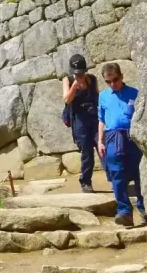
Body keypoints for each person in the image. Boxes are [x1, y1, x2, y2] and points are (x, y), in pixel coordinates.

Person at [97, 62, 147, 227]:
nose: (112, 84)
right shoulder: (103, 96)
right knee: (117, 175)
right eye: (108, 81)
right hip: (112, 137)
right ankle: (124, 212)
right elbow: (101, 119)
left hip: (132, 137)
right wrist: (100, 141)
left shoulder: (134, 93)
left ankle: (145, 208)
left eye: (115, 80)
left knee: (139, 173)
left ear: (121, 76)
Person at [61, 54, 102, 193]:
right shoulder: (68, 80)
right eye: (77, 74)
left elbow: (97, 97)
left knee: (103, 146)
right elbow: (67, 100)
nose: (80, 76)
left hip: (94, 117)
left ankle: (114, 178)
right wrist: (74, 87)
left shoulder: (92, 79)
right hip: (79, 120)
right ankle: (85, 182)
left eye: (82, 73)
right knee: (87, 152)